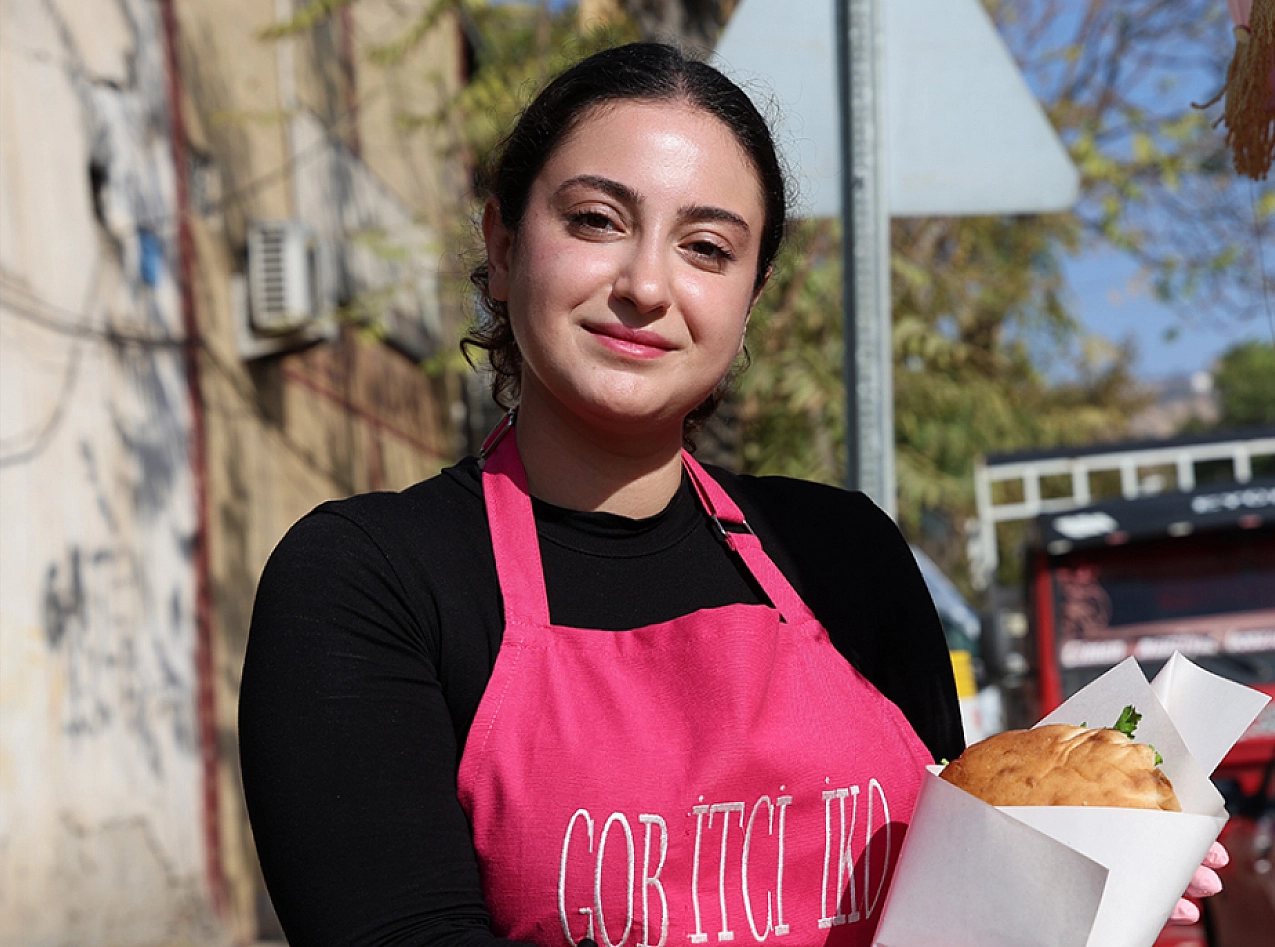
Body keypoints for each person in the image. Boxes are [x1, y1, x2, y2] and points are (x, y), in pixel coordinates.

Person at [239, 42, 1221, 947]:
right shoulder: (370, 578)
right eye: (595, 220)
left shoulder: (845, 553)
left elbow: (953, 908)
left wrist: (1092, 884)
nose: (645, 284)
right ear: (501, 246)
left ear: (749, 298)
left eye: (706, 247)